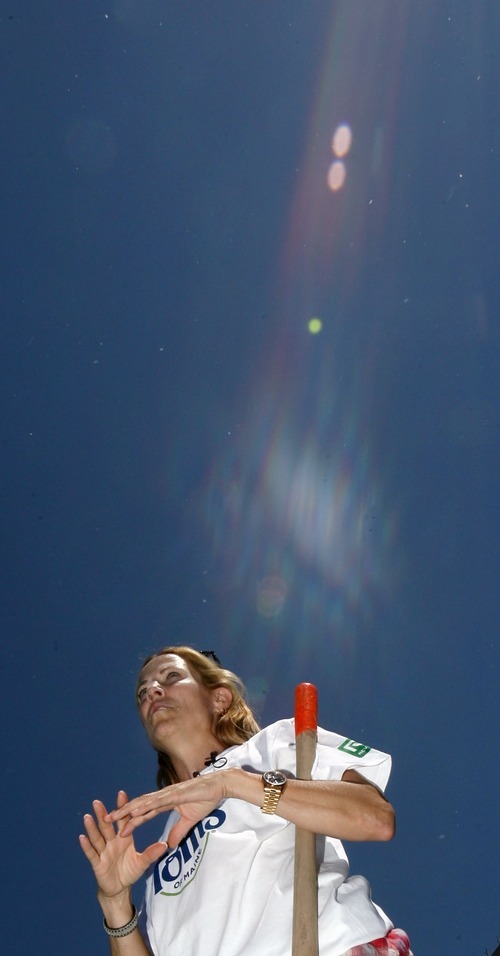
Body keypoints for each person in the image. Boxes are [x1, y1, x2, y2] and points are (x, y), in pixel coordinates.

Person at [80, 646, 412, 956]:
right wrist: (116, 904)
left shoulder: (270, 748)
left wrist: (234, 784)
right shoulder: (162, 858)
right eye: (142, 691)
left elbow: (374, 817)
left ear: (219, 698)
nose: (152, 691)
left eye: (171, 677)